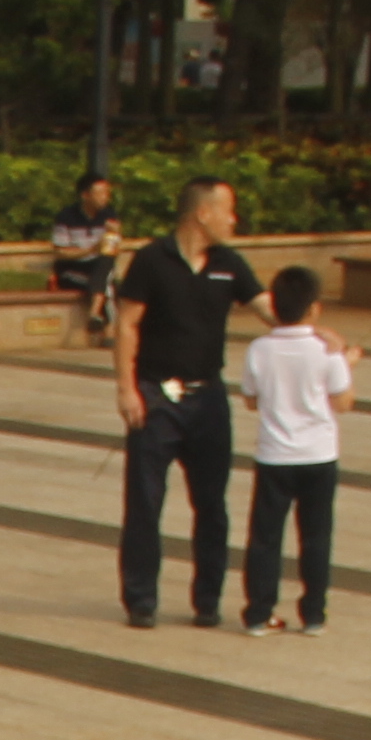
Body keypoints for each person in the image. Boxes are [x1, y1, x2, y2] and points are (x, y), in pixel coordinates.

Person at [111, 178, 256, 628]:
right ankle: (141, 599)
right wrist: (127, 388)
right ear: (202, 214)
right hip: (157, 396)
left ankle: (207, 600)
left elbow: (271, 308)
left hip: (207, 398)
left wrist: (317, 333)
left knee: (212, 504)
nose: (233, 220)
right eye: (228, 210)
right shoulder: (152, 260)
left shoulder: (229, 264)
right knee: (145, 502)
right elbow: (127, 324)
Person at [232, 266, 356, 638]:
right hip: (318, 455)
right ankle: (314, 613)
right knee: (316, 536)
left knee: (265, 537)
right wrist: (346, 363)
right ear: (314, 308)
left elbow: (251, 401)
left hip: (274, 456)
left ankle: (259, 612)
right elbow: (343, 402)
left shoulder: (259, 349)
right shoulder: (327, 350)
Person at [47, 171, 125, 343]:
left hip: (97, 268)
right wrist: (91, 250)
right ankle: (108, 331)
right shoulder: (66, 217)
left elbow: (113, 250)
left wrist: (115, 236)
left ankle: (95, 314)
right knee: (108, 284)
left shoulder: (108, 215)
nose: (106, 197)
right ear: (85, 195)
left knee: (106, 264)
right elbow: (61, 253)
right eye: (101, 193)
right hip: (72, 270)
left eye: (107, 193)